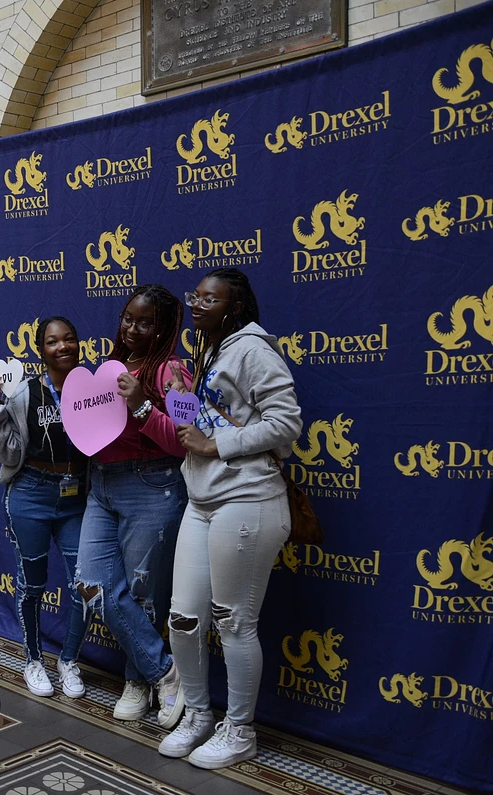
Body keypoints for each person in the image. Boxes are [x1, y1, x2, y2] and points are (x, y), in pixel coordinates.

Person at [161, 267, 302, 769]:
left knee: (234, 621)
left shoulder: (254, 349)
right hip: (202, 502)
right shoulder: (211, 350)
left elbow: (286, 424)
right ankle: (198, 715)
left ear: (235, 307)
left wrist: (216, 443)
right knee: (183, 618)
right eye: (194, 297)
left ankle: (239, 731)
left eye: (209, 299)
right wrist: (184, 397)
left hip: (248, 500)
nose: (196, 306)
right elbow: (206, 416)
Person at [74, 285, 191, 729]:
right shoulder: (109, 368)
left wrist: (141, 403)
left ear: (163, 328)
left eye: (145, 322)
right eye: (128, 318)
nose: (132, 328)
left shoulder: (171, 370)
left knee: (143, 595)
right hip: (102, 486)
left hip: (151, 484)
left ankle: (137, 682)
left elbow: (183, 441)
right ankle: (164, 670)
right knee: (91, 583)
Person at [0, 317, 91, 699]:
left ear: (79, 344)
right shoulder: (25, 393)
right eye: (53, 341)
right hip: (31, 493)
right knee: (32, 585)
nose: (63, 347)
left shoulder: (94, 389)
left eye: (69, 339)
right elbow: (10, 451)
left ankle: (69, 660)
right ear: (40, 350)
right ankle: (33, 660)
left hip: (76, 497)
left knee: (85, 585)